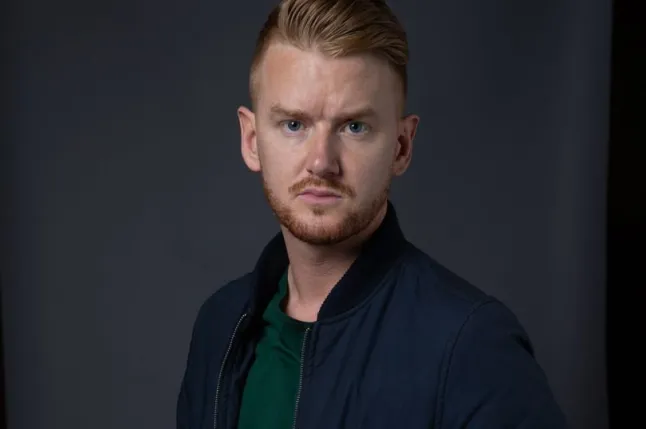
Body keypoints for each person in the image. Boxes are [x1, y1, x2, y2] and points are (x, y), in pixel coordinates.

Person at [176, 0, 568, 428]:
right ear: (252, 140)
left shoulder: (471, 344)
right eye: (294, 124)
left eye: (354, 127)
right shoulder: (221, 325)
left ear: (401, 146)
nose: (322, 162)